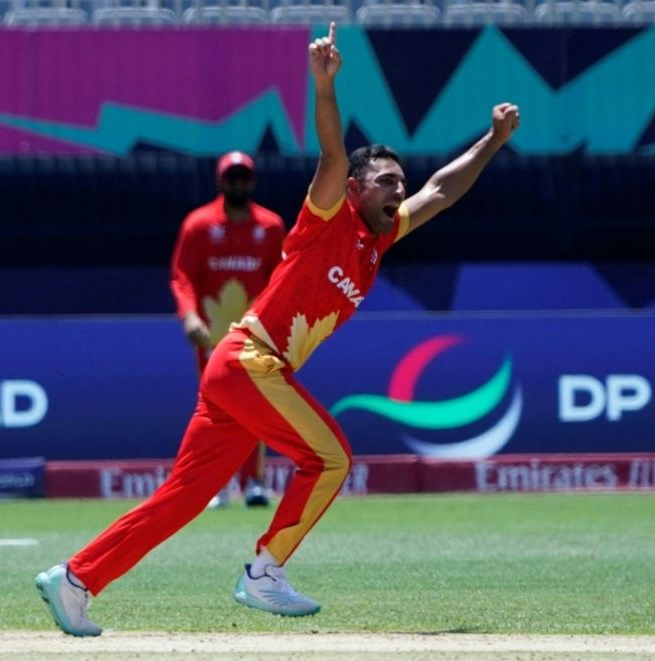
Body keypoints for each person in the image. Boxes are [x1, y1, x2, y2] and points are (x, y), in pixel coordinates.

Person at [35, 22, 520, 636]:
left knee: (181, 500)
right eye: (387, 182)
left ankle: (75, 579)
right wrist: (323, 83)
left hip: (240, 374)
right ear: (355, 191)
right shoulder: (326, 217)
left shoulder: (382, 239)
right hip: (249, 360)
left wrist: (493, 141)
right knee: (332, 459)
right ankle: (265, 572)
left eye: (401, 182)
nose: (399, 190)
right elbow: (333, 153)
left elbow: (442, 191)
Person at [169, 150, 285, 508]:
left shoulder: (270, 227)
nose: (237, 183)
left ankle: (253, 482)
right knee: (216, 410)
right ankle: (215, 485)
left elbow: (281, 279)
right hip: (212, 334)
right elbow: (182, 277)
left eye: (243, 177)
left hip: (253, 334)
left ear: (252, 181)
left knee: (255, 406)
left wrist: (276, 324)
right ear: (219, 181)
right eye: (231, 177)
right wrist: (189, 316)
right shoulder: (199, 225)